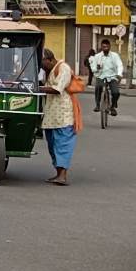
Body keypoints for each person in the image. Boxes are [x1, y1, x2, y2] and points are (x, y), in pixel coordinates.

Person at [41, 49, 76, 186]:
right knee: (53, 145)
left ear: (49, 60)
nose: (42, 66)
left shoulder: (63, 68)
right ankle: (58, 173)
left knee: (63, 145)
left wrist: (39, 88)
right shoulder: (49, 70)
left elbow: (57, 89)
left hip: (63, 115)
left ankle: (63, 175)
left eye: (43, 63)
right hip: (51, 114)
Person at [87, 42, 125, 118]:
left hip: (112, 77)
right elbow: (93, 68)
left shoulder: (115, 56)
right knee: (98, 87)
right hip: (100, 76)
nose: (106, 48)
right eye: (104, 46)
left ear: (110, 47)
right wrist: (96, 68)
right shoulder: (97, 57)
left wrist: (119, 74)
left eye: (107, 46)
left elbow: (120, 65)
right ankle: (97, 105)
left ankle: (113, 107)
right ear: (101, 47)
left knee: (116, 92)